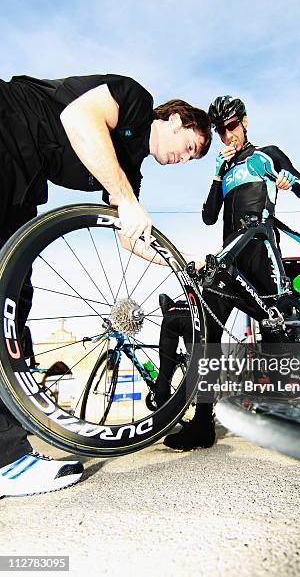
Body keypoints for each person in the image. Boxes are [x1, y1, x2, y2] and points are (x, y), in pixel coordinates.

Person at [0, 73, 211, 496]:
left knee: (14, 297)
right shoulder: (134, 99)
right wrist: (127, 200)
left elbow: (127, 234)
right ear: (174, 119)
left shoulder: (128, 169)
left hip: (24, 178)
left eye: (193, 159)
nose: (184, 159)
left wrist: (181, 263)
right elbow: (79, 118)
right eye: (189, 146)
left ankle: (8, 448)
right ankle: (5, 459)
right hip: (9, 128)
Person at [163, 95, 300, 451]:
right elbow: (208, 216)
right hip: (230, 258)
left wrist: (289, 182)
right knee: (207, 332)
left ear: (244, 121)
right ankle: (202, 425)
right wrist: (217, 174)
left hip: (261, 252)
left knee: (275, 330)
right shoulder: (225, 167)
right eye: (219, 131)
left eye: (230, 127)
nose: (226, 135)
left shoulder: (267, 155)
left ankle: (285, 417)